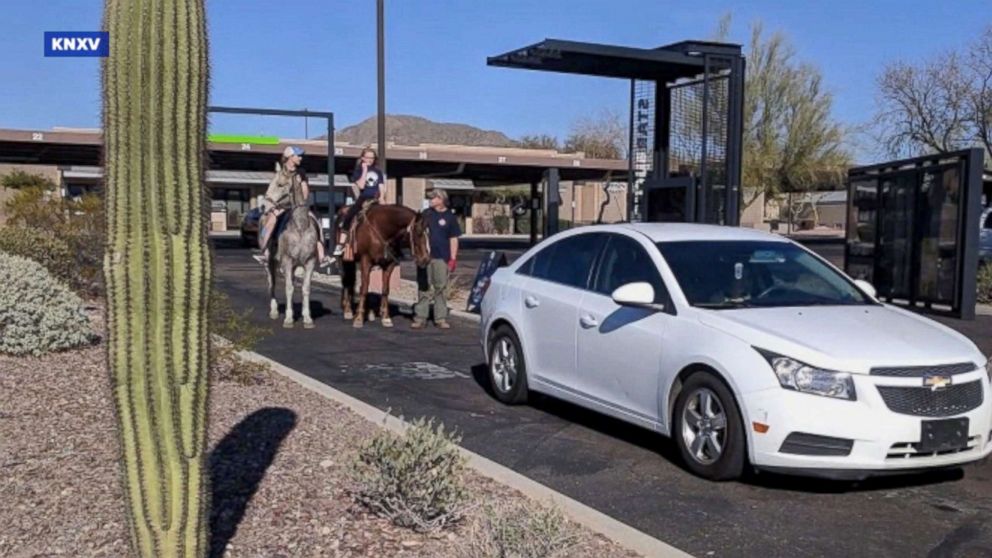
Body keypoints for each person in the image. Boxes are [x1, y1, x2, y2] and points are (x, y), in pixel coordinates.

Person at [254, 146, 332, 268]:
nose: (300, 158)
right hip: (282, 206)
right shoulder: (279, 175)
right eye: (298, 156)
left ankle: (322, 257)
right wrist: (271, 205)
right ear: (290, 157)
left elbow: (305, 191)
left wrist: (303, 199)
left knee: (316, 223)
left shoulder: (301, 173)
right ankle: (265, 252)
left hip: (299, 206)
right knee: (270, 222)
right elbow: (271, 192)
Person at [412, 189, 461, 329]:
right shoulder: (426, 214)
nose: (430, 200)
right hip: (425, 257)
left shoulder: (450, 217)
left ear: (441, 199)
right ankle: (420, 317)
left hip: (441, 257)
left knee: (441, 288)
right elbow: (417, 233)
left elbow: (453, 239)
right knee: (423, 287)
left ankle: (440, 318)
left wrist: (452, 259)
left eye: (433, 198)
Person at [333, 147, 387, 257]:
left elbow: (382, 186)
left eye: (372, 158)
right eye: (367, 157)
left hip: (375, 199)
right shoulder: (357, 171)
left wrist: (382, 197)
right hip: (363, 198)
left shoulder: (378, 172)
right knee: (349, 215)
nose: (370, 160)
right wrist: (365, 170)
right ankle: (341, 243)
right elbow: (361, 185)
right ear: (362, 158)